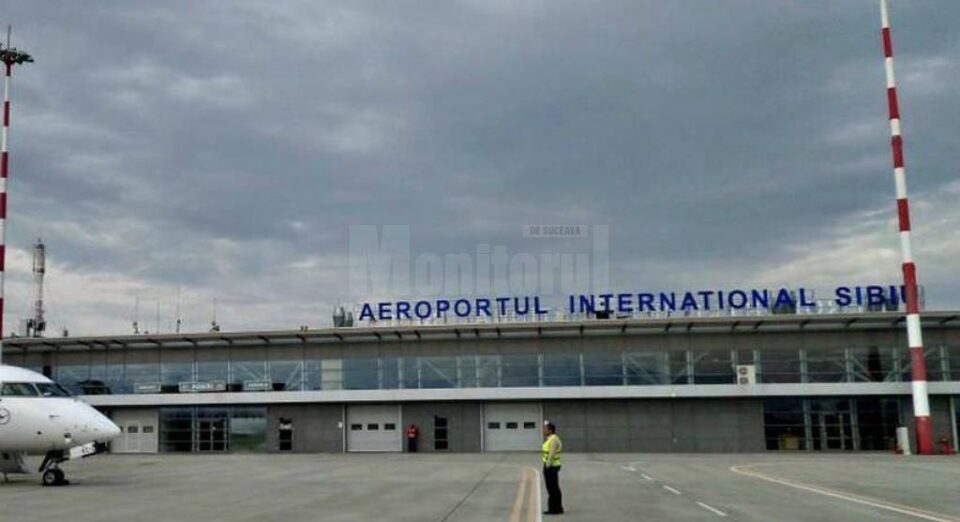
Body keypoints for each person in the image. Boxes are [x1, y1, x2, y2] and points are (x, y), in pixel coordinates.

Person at [541, 421, 564, 515]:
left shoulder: (553, 439)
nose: (543, 430)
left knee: (552, 488)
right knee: (553, 487)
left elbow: (552, 453)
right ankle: (556, 507)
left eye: (545, 429)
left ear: (550, 430)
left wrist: (548, 465)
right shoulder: (550, 438)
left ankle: (555, 508)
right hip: (551, 465)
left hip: (551, 466)